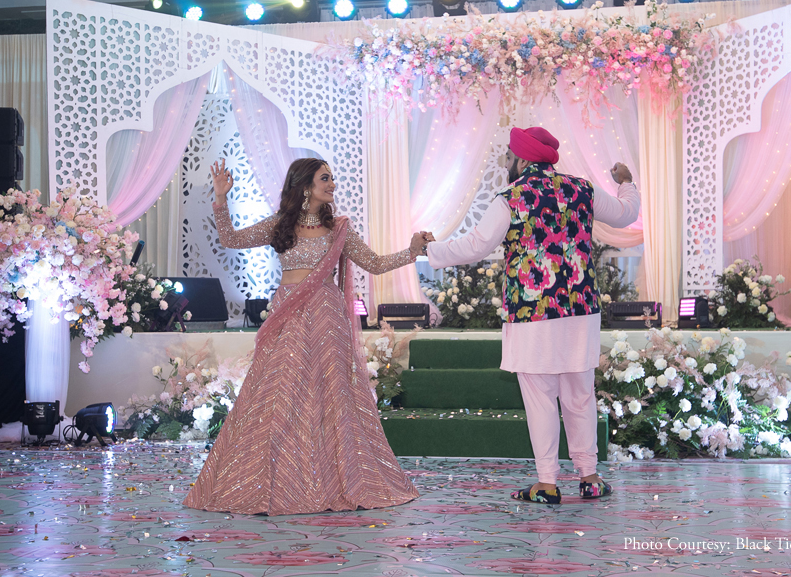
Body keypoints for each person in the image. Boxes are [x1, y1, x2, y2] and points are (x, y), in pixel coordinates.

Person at [184, 157, 425, 515]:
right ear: (305, 185)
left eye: (331, 178)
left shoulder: (338, 228)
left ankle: (334, 479)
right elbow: (231, 239)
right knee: (278, 390)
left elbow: (373, 264)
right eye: (325, 178)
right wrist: (221, 199)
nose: (332, 184)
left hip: (327, 316)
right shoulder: (280, 224)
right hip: (289, 314)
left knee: (331, 393)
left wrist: (412, 251)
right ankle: (274, 479)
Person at [425, 127, 640, 503]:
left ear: (522, 159)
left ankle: (547, 482)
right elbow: (626, 214)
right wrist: (626, 183)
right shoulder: (582, 189)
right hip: (580, 308)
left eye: (509, 157)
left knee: (541, 396)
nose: (507, 163)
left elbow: (477, 244)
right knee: (580, 395)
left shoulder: (512, 196)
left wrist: (432, 249)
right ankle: (589, 477)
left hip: (533, 310)